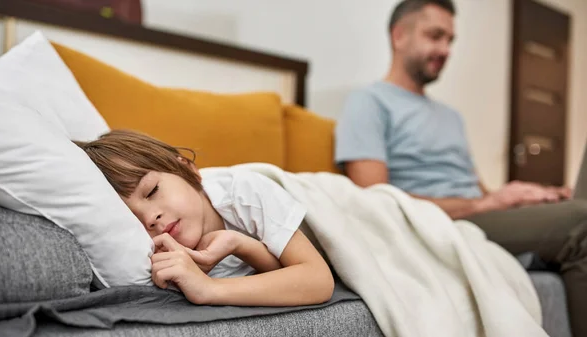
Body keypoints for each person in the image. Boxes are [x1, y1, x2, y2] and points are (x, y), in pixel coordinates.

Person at [334, 0, 587, 335]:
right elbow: (374, 201)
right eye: (435, 36)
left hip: (479, 216)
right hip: (442, 225)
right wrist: (482, 205)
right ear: (399, 36)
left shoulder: (450, 117)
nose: (445, 49)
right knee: (581, 221)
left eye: (450, 40)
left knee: (572, 208)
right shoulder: (369, 102)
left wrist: (523, 197)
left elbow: (479, 192)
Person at [76, 130, 334, 306]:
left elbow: (317, 281)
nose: (151, 218)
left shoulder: (241, 193)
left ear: (188, 168)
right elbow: (286, 278)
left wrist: (209, 289)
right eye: (133, 218)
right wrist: (242, 246)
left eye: (152, 191)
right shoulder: (158, 253)